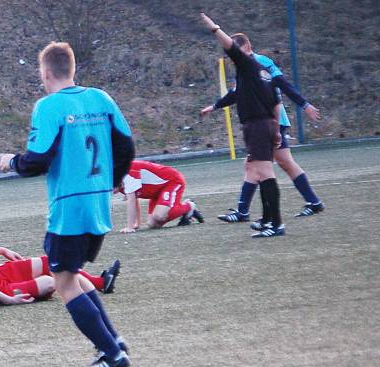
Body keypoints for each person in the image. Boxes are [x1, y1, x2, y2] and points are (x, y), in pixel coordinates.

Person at [0, 42, 135, 367]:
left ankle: (111, 352)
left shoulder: (48, 106)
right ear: (71, 69)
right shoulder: (101, 98)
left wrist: (10, 162)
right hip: (99, 204)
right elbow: (127, 145)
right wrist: (115, 179)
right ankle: (113, 342)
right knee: (72, 276)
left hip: (69, 208)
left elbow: (37, 160)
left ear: (45, 72)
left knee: (64, 282)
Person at [201, 45, 324, 225]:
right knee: (275, 163)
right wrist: (214, 107)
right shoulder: (243, 65)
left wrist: (304, 105)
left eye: (235, 47)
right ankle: (313, 202)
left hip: (271, 121)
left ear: (246, 46)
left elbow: (282, 83)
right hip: (266, 122)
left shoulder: (261, 61)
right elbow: (236, 93)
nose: (232, 52)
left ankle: (250, 213)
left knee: (258, 165)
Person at [0, 184, 121, 310]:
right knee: (50, 282)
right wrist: (9, 299)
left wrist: (2, 250)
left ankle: (102, 282)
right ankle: (85, 289)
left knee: (50, 263)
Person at [199, 14, 285, 238]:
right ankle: (267, 219)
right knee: (256, 171)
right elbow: (274, 101)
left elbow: (231, 47)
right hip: (264, 125)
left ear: (246, 49)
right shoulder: (261, 72)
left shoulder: (247, 64)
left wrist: (214, 28)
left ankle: (276, 224)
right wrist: (276, 128)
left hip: (257, 126)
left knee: (265, 173)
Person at [117, 160, 204, 233]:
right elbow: (135, 200)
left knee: (159, 216)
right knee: (153, 224)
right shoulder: (120, 183)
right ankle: (186, 210)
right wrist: (136, 224)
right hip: (156, 192)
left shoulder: (128, 173)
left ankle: (189, 206)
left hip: (172, 181)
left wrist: (130, 227)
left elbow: (131, 201)